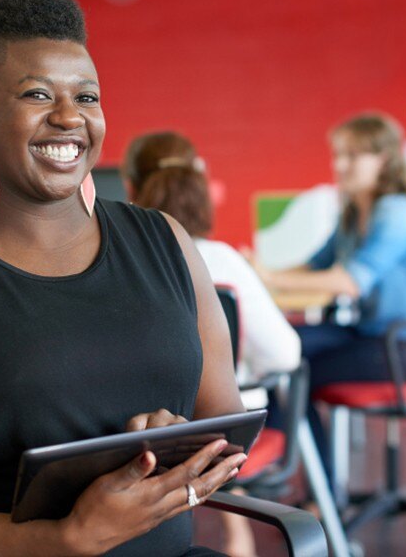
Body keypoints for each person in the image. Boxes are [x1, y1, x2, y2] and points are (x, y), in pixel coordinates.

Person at [0, 0, 247, 557]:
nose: (69, 117)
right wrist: (68, 538)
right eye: (37, 94)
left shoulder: (165, 241)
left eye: (86, 96)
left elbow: (225, 421)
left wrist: (173, 443)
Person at [122, 131, 301, 557]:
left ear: (130, 189)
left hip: (140, 434)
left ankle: (234, 527)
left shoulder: (123, 267)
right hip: (225, 431)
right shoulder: (223, 260)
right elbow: (286, 354)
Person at [253, 112, 406, 475]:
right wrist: (259, 273)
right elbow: (314, 267)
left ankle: (311, 488)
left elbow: (348, 282)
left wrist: (267, 275)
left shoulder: (397, 212)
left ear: (383, 160)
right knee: (280, 346)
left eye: (353, 156)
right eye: (338, 154)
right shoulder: (354, 213)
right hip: (372, 335)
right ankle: (285, 470)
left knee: (294, 371)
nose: (340, 164)